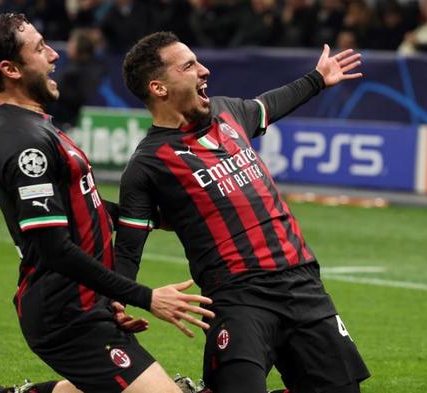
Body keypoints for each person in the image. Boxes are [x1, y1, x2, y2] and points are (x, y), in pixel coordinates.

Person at [0, 13, 214, 393]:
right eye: (40, 48)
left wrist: (151, 217)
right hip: (65, 314)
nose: (54, 55)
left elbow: (81, 202)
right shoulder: (25, 140)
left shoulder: (31, 124)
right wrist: (145, 297)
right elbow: (53, 249)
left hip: (82, 302)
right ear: (10, 69)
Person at [117, 32, 370, 393]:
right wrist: (117, 303)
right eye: (189, 65)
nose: (204, 70)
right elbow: (129, 246)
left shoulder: (227, 111)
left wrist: (317, 79)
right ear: (159, 88)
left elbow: (270, 104)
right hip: (238, 297)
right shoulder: (147, 165)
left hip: (302, 282)